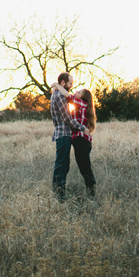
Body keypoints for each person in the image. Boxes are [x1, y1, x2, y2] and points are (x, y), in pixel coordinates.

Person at [50, 72, 87, 202]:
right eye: (70, 83)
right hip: (63, 134)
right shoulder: (60, 96)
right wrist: (83, 128)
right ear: (63, 83)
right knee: (62, 166)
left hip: (62, 134)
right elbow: (68, 119)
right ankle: (59, 197)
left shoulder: (56, 93)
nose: (72, 85)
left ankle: (58, 194)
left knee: (62, 165)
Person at [58, 84, 97, 197]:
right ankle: (91, 192)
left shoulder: (81, 104)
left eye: (79, 93)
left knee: (85, 169)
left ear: (83, 98)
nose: (76, 93)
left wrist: (56, 85)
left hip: (81, 141)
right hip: (82, 141)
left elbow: (67, 95)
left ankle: (92, 194)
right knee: (84, 168)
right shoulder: (82, 105)